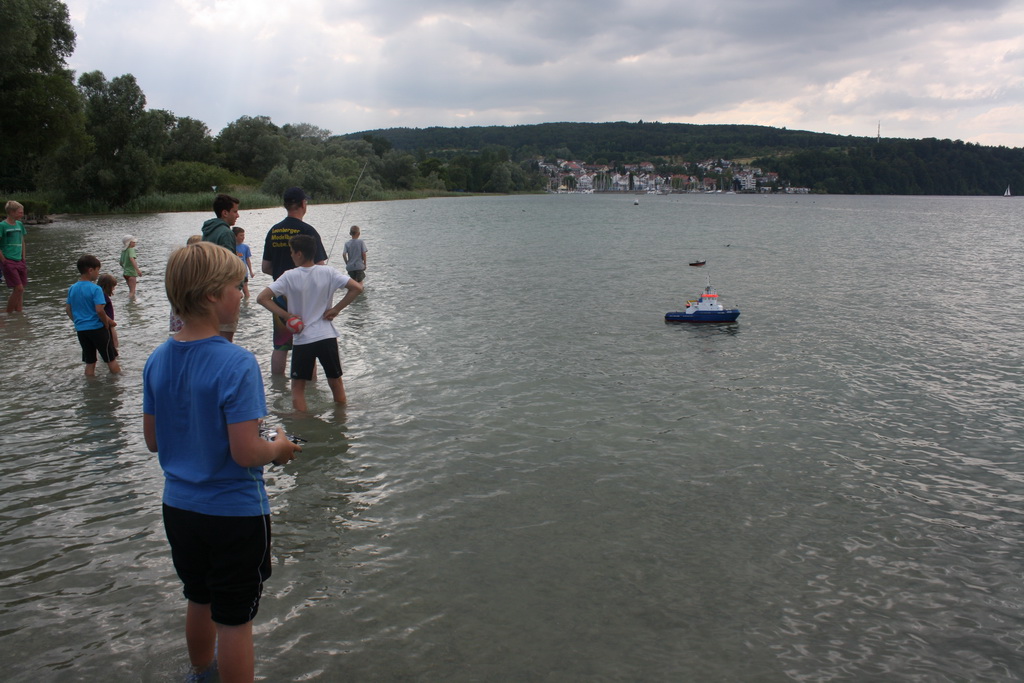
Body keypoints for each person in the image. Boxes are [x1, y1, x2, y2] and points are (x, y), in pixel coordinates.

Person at [143, 242, 300, 683]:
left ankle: (200, 675)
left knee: (198, 597)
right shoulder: (237, 363)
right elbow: (246, 452)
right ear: (213, 294)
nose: (243, 295)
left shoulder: (156, 359)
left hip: (179, 509)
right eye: (237, 287)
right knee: (235, 619)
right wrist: (280, 448)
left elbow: (153, 441)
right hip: (233, 514)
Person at [257, 235, 363, 411]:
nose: (291, 255)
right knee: (336, 382)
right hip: (327, 336)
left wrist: (287, 316)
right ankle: (341, 419)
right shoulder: (329, 272)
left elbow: (262, 298)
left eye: (292, 252)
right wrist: (336, 309)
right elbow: (357, 288)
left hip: (303, 338)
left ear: (299, 253)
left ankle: (302, 423)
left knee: (297, 388)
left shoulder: (289, 276)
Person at [261, 187, 328, 375]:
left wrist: (283, 278)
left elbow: (265, 267)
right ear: (303, 204)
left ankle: (278, 386)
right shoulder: (308, 231)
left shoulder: (274, 231)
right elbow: (320, 267)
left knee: (280, 345)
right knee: (308, 344)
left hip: (280, 295)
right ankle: (309, 388)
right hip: (305, 297)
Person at [66, 254, 120, 376]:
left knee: (90, 362)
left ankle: (90, 384)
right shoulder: (96, 289)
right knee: (110, 359)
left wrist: (77, 322)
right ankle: (118, 382)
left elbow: (68, 309)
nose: (97, 273)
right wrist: (106, 324)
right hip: (97, 329)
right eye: (97, 270)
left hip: (81, 330)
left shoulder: (72, 288)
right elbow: (99, 310)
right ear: (91, 270)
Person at [202, 195, 242, 341]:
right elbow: (229, 265)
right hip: (223, 293)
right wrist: (237, 288)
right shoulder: (226, 233)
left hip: (208, 291)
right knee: (225, 339)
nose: (237, 215)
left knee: (210, 337)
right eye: (235, 211)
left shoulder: (208, 231)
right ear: (225, 213)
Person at [169, 236, 203, 335]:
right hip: (191, 308)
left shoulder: (179, 262)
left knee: (180, 335)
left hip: (178, 307)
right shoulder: (195, 265)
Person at [1, 200, 28, 312]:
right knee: (19, 288)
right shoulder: (2, 226)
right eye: (20, 212)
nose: (22, 214)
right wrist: (4, 260)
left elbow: (22, 241)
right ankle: (9, 313)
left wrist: (23, 258)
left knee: (21, 290)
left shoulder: (19, 224)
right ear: (12, 212)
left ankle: (19, 314)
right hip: (8, 260)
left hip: (20, 261)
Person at [97, 273, 119, 350]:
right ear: (108, 286)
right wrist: (110, 322)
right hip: (108, 324)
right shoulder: (103, 296)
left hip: (105, 324)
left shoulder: (97, 295)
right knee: (114, 345)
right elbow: (99, 310)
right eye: (113, 286)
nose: (114, 289)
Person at [234, 227, 254, 299]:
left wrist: (251, 271)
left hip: (244, 272)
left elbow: (247, 260)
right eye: (241, 235)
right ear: (235, 236)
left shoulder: (245, 247)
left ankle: (246, 304)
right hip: (235, 273)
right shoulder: (231, 247)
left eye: (243, 235)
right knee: (235, 291)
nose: (243, 237)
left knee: (245, 289)